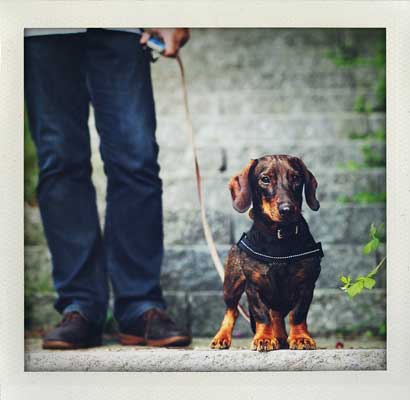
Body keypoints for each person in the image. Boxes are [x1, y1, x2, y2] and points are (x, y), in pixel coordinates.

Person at [24, 28, 191, 349]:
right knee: (59, 160)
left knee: (136, 158)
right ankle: (80, 305)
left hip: (121, 23)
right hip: (38, 26)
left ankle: (139, 304)